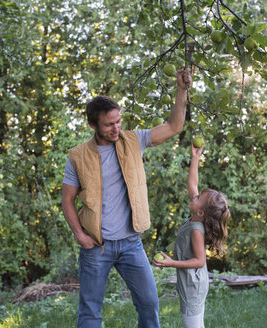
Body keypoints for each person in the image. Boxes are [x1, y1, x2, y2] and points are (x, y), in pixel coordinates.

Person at [61, 67, 192, 328]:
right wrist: (79, 234)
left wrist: (181, 90)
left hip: (131, 244)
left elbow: (174, 126)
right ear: (93, 125)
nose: (116, 128)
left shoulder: (133, 140)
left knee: (149, 303)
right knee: (90, 311)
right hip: (97, 247)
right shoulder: (78, 157)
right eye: (109, 124)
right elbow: (67, 200)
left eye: (118, 121)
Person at [153, 143, 230, 328]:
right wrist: (195, 158)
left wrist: (171, 263)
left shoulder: (197, 230)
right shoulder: (197, 215)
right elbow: (193, 184)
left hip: (193, 286)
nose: (193, 197)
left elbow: (199, 261)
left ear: (201, 212)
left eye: (197, 198)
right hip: (192, 282)